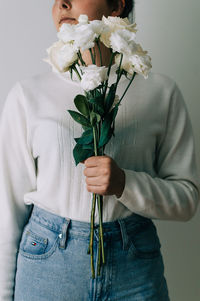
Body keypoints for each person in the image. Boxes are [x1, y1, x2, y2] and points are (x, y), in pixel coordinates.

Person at [0, 0, 199, 300]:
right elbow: (7, 213)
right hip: (47, 264)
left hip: (135, 268)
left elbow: (187, 200)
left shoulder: (160, 93)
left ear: (117, 5)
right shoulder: (28, 97)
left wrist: (125, 184)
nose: (61, 4)